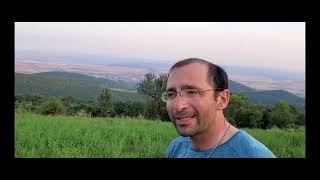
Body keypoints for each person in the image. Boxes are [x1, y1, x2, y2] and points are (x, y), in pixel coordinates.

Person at [163, 58, 275, 158]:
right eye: (171, 94)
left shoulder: (253, 154)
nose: (178, 106)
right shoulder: (176, 148)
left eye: (192, 92)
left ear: (222, 99)